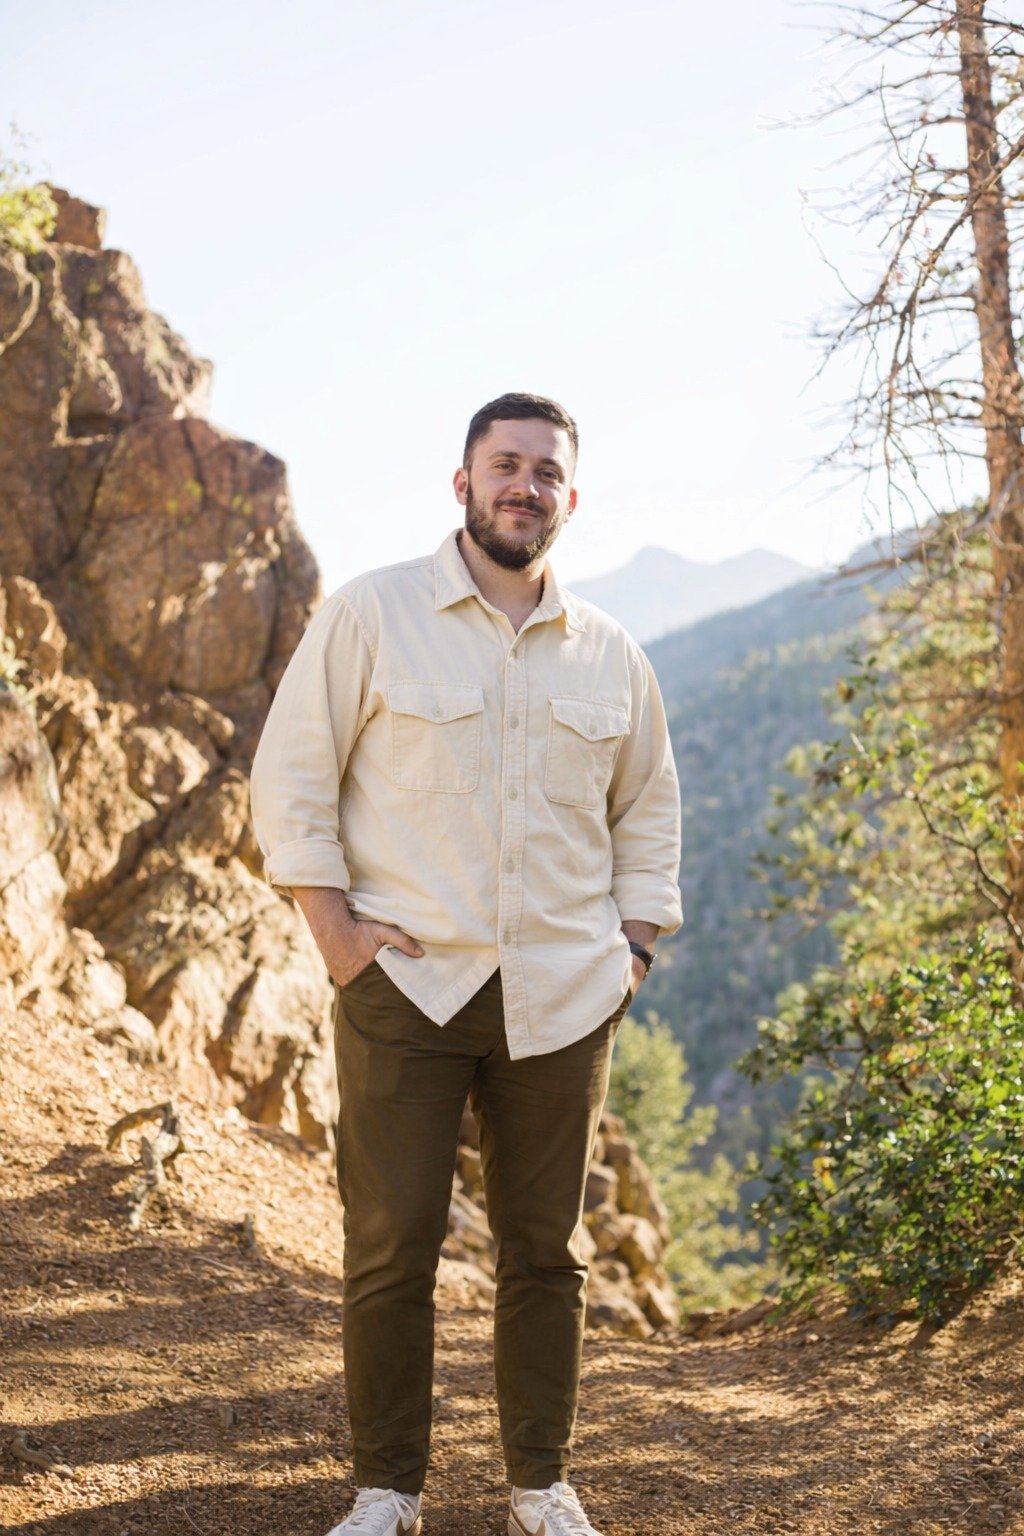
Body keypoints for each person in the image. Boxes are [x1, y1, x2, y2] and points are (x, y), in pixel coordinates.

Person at [249, 392, 682, 1536]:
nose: (523, 485)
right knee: (391, 1242)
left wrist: (632, 950)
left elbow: (648, 815)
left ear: (568, 500)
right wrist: (335, 934)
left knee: (548, 1250)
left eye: (545, 472)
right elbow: (291, 778)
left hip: (565, 996)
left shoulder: (611, 655)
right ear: (462, 482)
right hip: (407, 986)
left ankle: (541, 1486)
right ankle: (387, 1489)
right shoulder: (372, 616)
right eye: (505, 464)